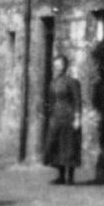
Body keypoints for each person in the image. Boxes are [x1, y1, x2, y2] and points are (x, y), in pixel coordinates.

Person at [42, 55, 83, 185]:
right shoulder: (53, 83)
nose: (58, 68)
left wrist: (77, 118)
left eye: (60, 65)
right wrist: (50, 116)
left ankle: (70, 178)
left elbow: (77, 101)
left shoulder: (73, 82)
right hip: (56, 117)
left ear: (65, 66)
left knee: (70, 146)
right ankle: (60, 177)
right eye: (56, 65)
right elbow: (51, 102)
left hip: (69, 117)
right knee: (56, 146)